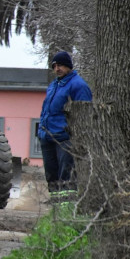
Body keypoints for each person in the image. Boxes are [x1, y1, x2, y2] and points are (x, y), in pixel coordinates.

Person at [37, 51, 92, 195]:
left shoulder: (78, 85)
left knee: (66, 177)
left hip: (65, 139)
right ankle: (55, 208)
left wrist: (76, 136)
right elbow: (46, 110)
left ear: (68, 66)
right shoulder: (54, 85)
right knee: (52, 177)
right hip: (47, 136)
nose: (57, 69)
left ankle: (66, 208)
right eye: (54, 66)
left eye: (60, 65)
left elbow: (84, 113)